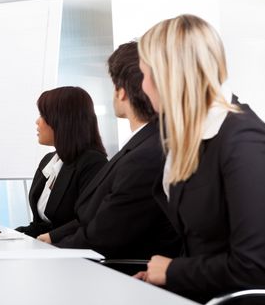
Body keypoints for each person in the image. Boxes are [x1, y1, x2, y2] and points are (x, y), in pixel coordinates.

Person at [135, 14, 265, 303]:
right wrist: (161, 275)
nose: (142, 86)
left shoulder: (243, 142)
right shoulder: (192, 138)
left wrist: (173, 271)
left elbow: (255, 268)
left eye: (144, 74)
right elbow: (204, 244)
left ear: (168, 75)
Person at [47, 42, 180, 264]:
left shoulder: (146, 155)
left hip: (124, 276)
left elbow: (103, 236)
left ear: (122, 92)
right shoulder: (144, 144)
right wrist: (51, 239)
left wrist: (45, 254)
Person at [15, 86, 108, 240]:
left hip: (71, 255)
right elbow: (41, 224)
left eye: (43, 115)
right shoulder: (49, 160)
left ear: (63, 120)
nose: (37, 121)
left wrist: (52, 237)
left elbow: (89, 221)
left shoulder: (93, 163)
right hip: (44, 250)